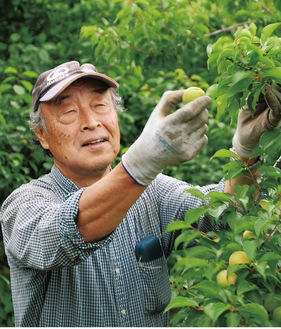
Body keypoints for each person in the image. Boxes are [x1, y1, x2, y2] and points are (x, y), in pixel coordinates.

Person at [0, 60, 280, 327]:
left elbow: (225, 210)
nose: (90, 121)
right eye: (69, 112)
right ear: (42, 135)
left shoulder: (152, 192)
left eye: (100, 105)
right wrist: (141, 164)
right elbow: (67, 231)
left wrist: (246, 152)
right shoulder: (24, 204)